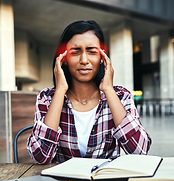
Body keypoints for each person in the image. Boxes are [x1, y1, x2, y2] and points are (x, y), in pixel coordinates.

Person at [27, 20, 151, 164]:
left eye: (92, 51)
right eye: (75, 52)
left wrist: (109, 90)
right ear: (64, 59)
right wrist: (60, 90)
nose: (84, 60)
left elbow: (140, 152)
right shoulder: (47, 98)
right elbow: (41, 157)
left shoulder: (121, 96)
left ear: (102, 58)